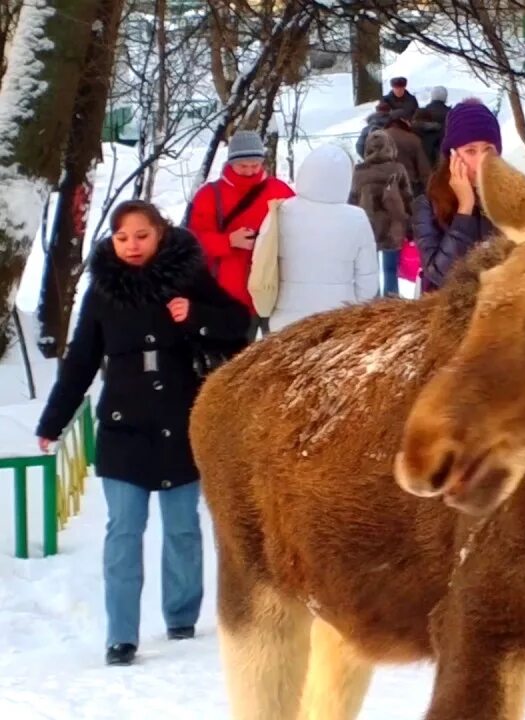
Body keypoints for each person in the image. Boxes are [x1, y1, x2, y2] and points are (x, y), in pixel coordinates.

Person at [35, 200, 250, 667]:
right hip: (124, 430)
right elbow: (80, 364)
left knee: (182, 530)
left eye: (141, 235)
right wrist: (53, 422)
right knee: (123, 533)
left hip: (181, 424)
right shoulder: (102, 292)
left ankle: (181, 620)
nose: (132, 245)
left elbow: (240, 327)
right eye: (122, 237)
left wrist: (195, 315)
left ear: (160, 234)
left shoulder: (188, 278)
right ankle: (121, 636)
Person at [186, 130, 294, 340]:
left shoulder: (279, 190)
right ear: (230, 163)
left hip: (272, 290)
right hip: (230, 295)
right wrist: (228, 241)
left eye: (255, 165)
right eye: (242, 166)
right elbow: (194, 241)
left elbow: (297, 232)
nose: (249, 172)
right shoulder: (210, 195)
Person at [264, 144, 379, 329]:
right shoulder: (356, 219)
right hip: (337, 321)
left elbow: (266, 263)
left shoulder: (282, 211)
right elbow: (368, 282)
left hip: (286, 322)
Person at [414, 99, 501, 292]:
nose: (482, 161)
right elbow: (438, 275)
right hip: (447, 316)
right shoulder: (428, 205)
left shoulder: (508, 202)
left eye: (489, 149)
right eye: (471, 151)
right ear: (453, 155)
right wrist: (465, 210)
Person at [350, 130, 415, 298]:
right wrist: (411, 224)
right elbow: (408, 198)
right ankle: (391, 305)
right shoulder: (398, 169)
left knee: (370, 271)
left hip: (368, 227)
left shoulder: (359, 172)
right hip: (394, 227)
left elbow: (352, 200)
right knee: (390, 270)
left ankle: (372, 304)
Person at [383, 109, 434, 197]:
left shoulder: (376, 137)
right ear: (404, 121)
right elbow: (424, 170)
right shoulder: (413, 139)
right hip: (408, 184)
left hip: (382, 183)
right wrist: (431, 190)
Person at [416, 86, 451, 166]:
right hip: (444, 155)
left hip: (424, 154)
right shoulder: (450, 114)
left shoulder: (422, 113)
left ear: (432, 96)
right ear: (445, 97)